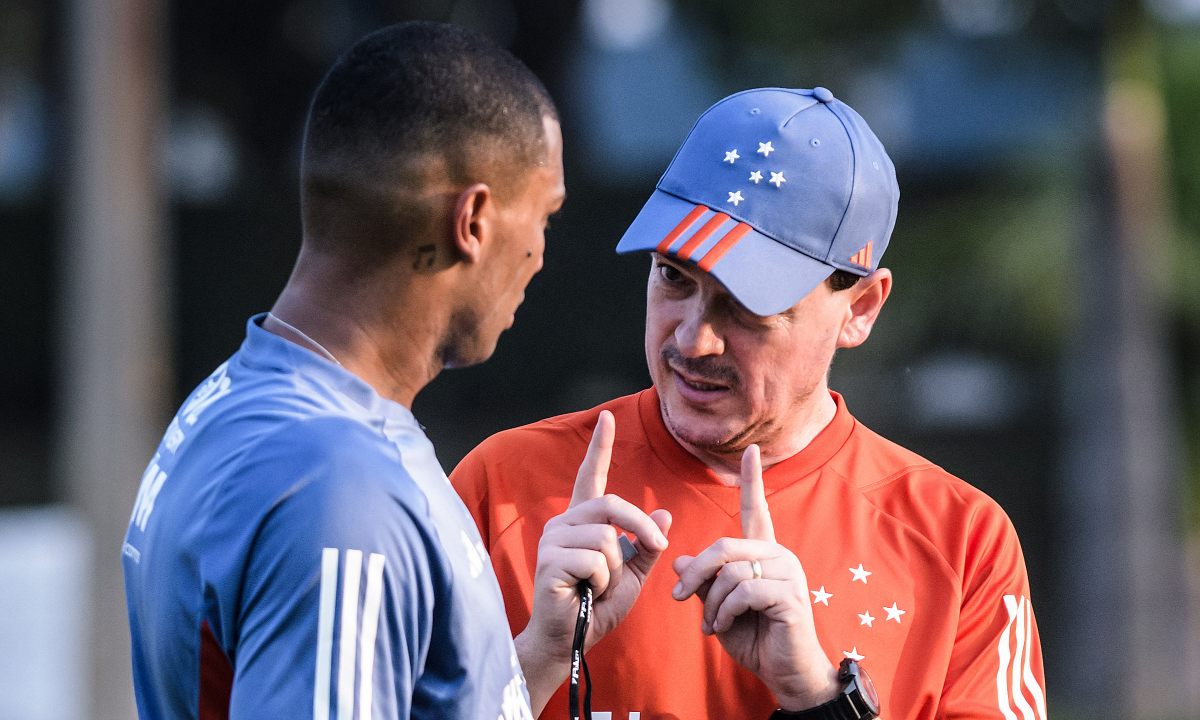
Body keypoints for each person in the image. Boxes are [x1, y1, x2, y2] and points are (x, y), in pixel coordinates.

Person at [121, 22, 671, 720]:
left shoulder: (234, 401)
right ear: (472, 220)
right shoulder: (340, 491)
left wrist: (535, 656)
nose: (539, 254)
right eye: (544, 215)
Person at [451, 87, 1047, 720]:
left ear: (862, 308)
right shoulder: (505, 488)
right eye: (673, 276)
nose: (692, 338)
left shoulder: (959, 542)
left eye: (747, 303)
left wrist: (818, 696)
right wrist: (538, 658)